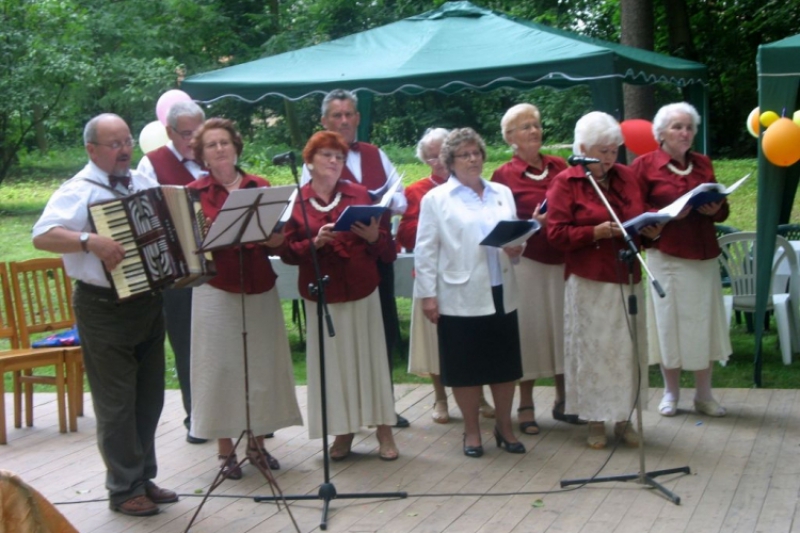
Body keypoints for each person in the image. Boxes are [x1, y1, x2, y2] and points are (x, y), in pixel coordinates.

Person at [32, 114, 177, 516]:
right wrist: (87, 239)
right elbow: (42, 234)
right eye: (114, 143)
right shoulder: (78, 190)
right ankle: (122, 487)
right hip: (102, 308)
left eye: (127, 140)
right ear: (91, 150)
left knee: (148, 398)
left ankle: (142, 477)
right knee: (116, 403)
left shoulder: (143, 184)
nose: (124, 149)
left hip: (147, 301)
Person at [186, 118, 303, 479]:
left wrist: (276, 240)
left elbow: (284, 236)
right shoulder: (192, 192)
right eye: (211, 145)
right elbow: (189, 245)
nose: (220, 149)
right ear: (202, 156)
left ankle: (257, 444)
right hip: (216, 288)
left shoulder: (261, 186)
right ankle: (225, 451)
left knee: (260, 366)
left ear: (236, 146)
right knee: (220, 368)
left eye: (225, 142)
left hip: (258, 285)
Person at [283, 130, 399, 461]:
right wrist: (313, 243)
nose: (335, 162)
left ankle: (384, 430)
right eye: (327, 156)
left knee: (371, 361)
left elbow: (387, 251)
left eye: (340, 157)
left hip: (362, 290)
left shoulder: (360, 194)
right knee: (334, 367)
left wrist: (376, 236)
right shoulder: (297, 201)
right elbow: (288, 252)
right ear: (309, 161)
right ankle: (343, 431)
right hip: (322, 294)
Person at [546, 111, 661, 449]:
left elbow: (638, 220)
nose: (609, 159)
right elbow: (555, 234)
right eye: (602, 152)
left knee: (626, 351)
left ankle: (624, 420)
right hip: (589, 279)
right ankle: (595, 421)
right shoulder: (566, 182)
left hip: (627, 275)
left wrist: (651, 232)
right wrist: (593, 232)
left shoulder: (626, 176)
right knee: (594, 352)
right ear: (582, 148)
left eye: (614, 151)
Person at [301, 89, 410, 428]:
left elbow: (402, 200)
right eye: (337, 115)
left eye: (349, 114)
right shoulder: (315, 159)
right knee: (343, 342)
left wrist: (378, 206)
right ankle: (347, 417)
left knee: (383, 332)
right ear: (324, 121)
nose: (344, 121)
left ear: (358, 119)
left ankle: (383, 408)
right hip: (335, 262)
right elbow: (306, 206)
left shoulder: (376, 154)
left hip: (375, 251)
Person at [414, 127, 525, 459]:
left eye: (476, 152)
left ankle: (505, 427)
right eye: (464, 154)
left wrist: (517, 248)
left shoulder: (501, 192)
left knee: (505, 366)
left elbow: (514, 233)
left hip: (501, 289)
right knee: (466, 368)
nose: (473, 159)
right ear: (450, 161)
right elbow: (425, 250)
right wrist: (427, 295)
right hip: (459, 293)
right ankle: (472, 432)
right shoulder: (436, 199)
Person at [631, 102, 731, 418]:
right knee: (668, 325)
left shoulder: (702, 164)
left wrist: (717, 210)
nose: (684, 133)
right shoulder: (644, 166)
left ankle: (704, 395)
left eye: (689, 127)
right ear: (661, 133)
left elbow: (722, 206)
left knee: (704, 325)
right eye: (677, 127)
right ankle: (671, 393)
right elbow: (636, 212)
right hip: (667, 253)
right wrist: (663, 218)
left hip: (703, 253)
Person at [491, 103, 584, 435]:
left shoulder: (560, 166)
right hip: (527, 262)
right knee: (529, 333)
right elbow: (499, 224)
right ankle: (526, 405)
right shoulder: (503, 175)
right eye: (525, 126)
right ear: (510, 137)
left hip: (564, 259)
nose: (534, 130)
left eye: (536, 124)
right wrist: (534, 223)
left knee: (563, 329)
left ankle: (565, 399)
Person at [399, 127, 495, 424]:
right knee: (435, 344)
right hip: (432, 278)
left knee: (473, 344)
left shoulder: (479, 187)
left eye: (442, 154)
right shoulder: (418, 191)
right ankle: (440, 399)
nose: (437, 162)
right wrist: (442, 226)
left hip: (471, 275)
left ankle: (478, 397)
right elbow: (405, 234)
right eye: (431, 157)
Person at [136, 100, 208, 444]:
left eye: (199, 132)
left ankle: (234, 413)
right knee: (187, 341)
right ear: (168, 132)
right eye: (186, 134)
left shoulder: (212, 154)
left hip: (219, 265)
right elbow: (146, 215)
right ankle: (196, 416)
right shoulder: (151, 164)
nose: (194, 140)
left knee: (222, 338)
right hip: (179, 269)